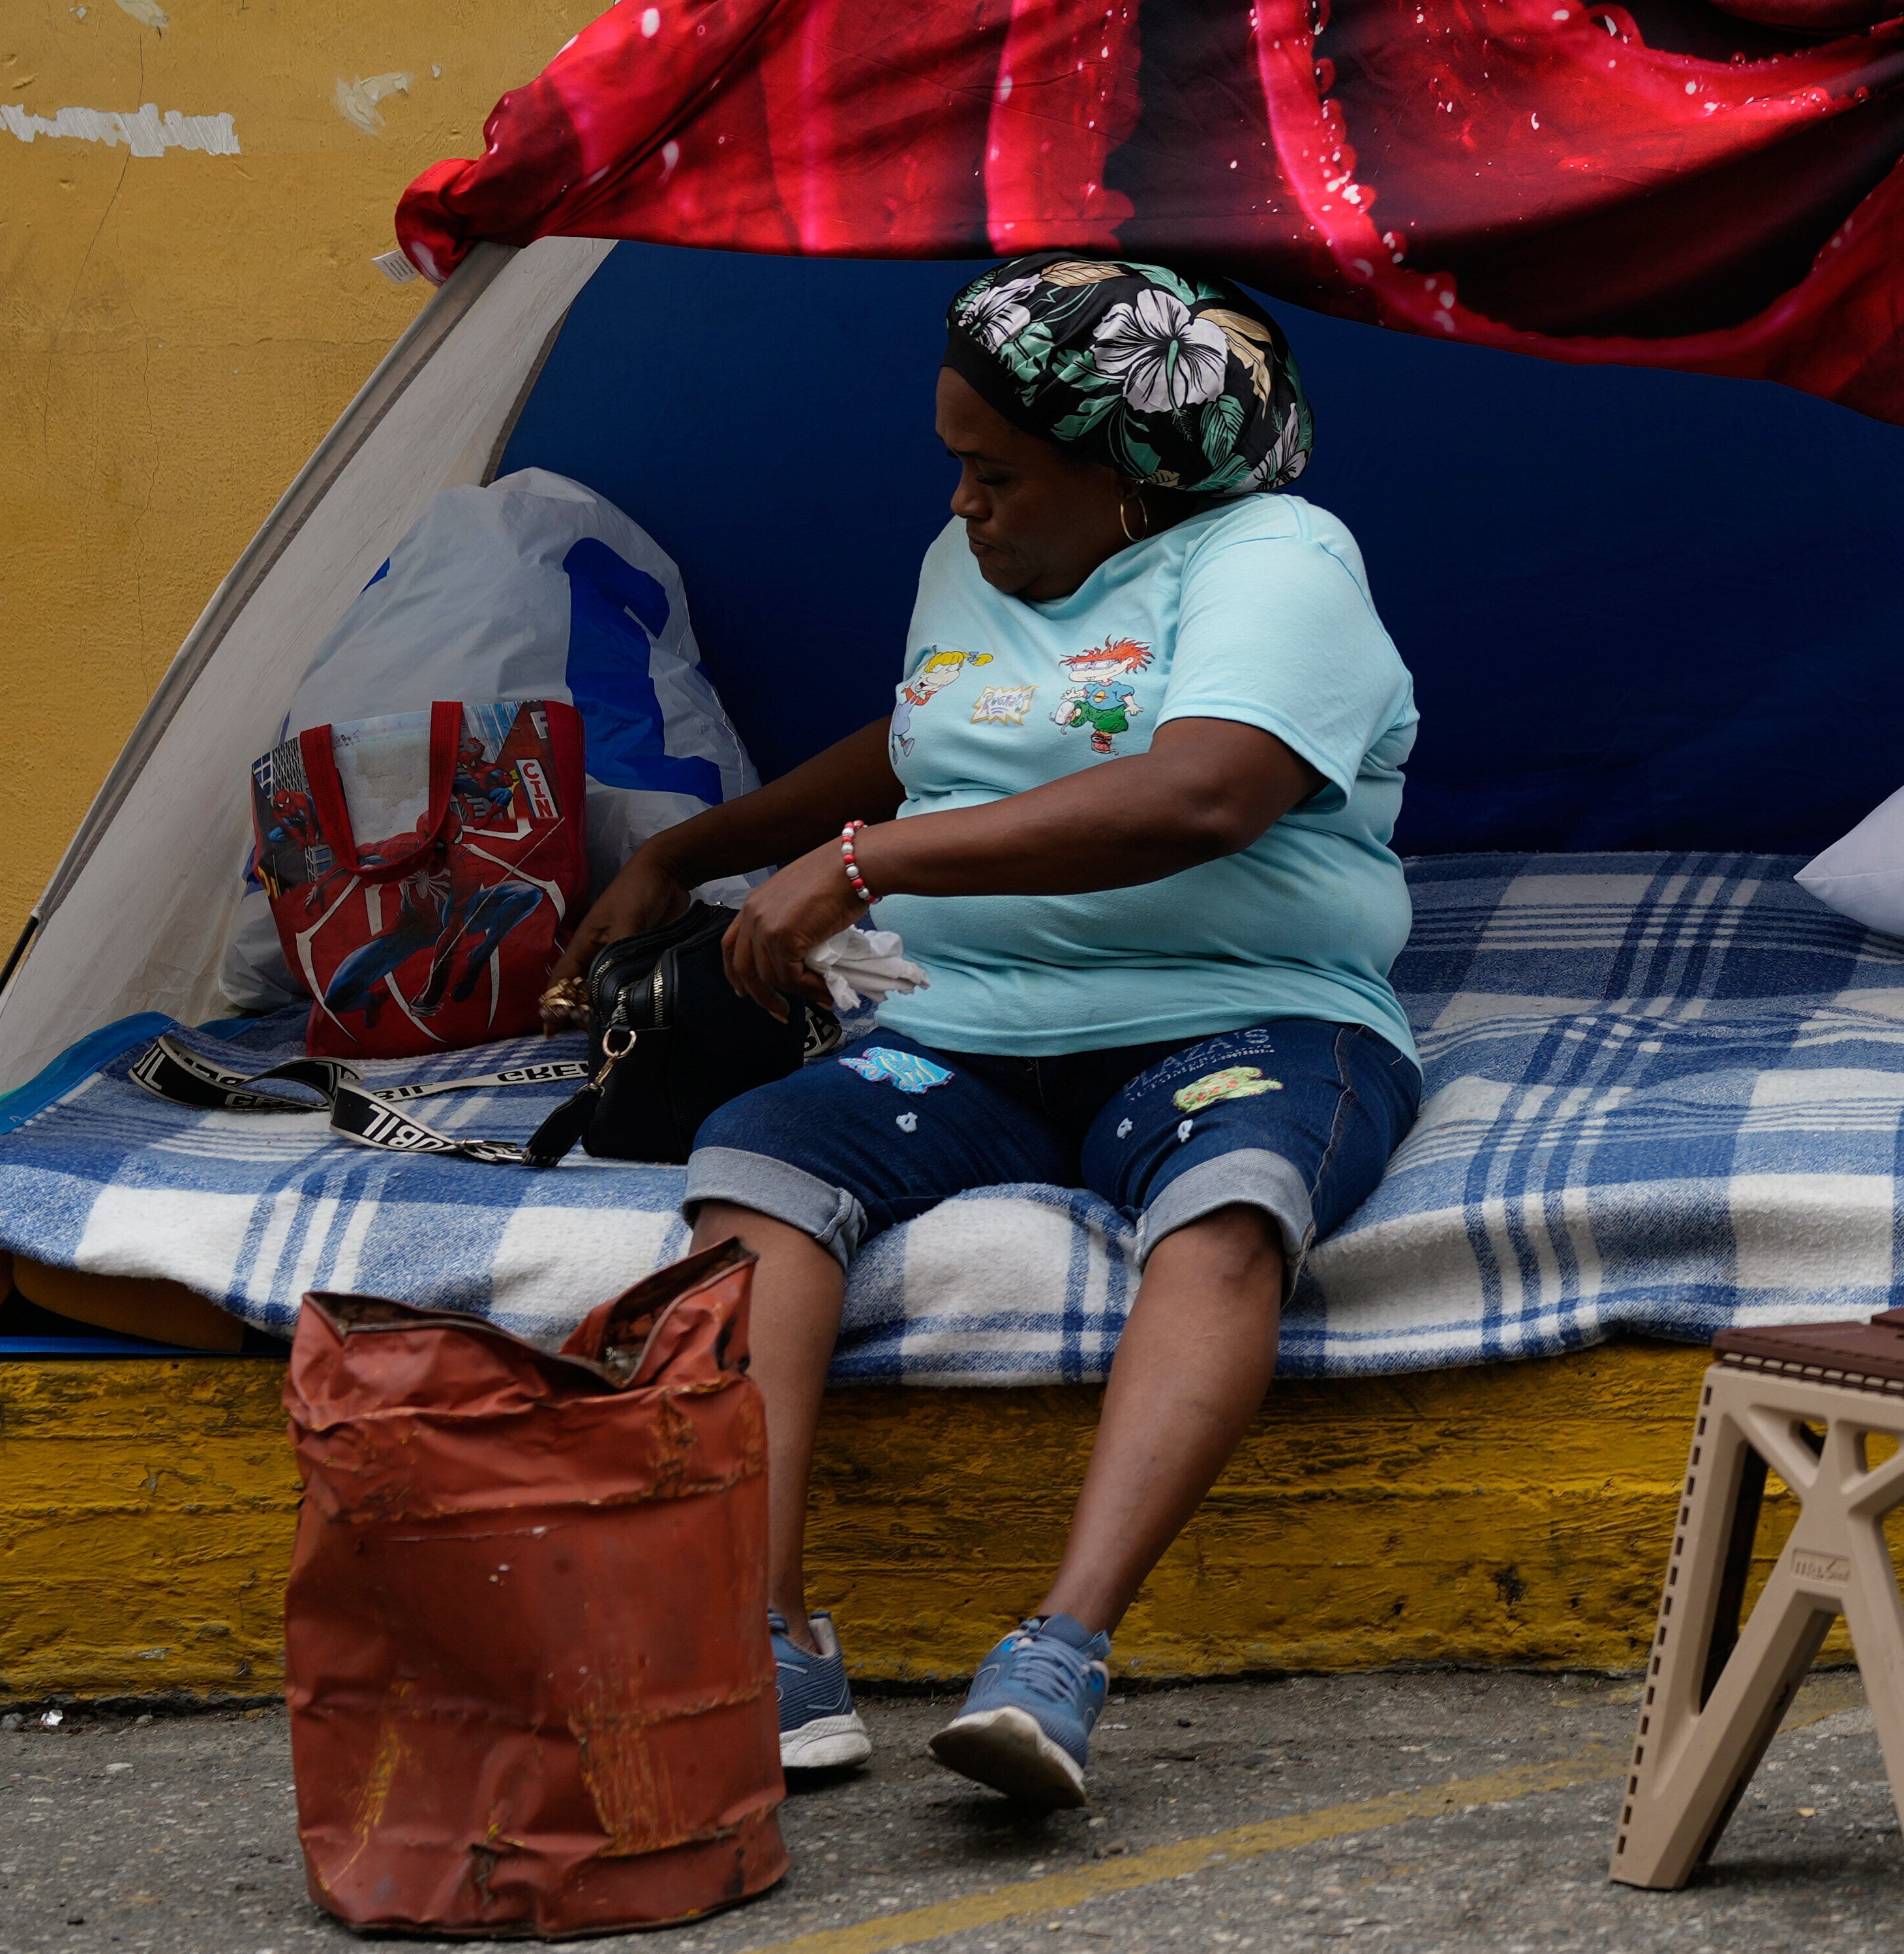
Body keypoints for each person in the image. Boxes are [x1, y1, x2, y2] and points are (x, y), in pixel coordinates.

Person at [547, 252, 1423, 1814]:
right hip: (963, 1028)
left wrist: (863, 866)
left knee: (1228, 1213)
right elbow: (928, 736)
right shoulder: (978, 557)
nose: (963, 502)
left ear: (1135, 473)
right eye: (957, 464)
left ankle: (1057, 1652)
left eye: (998, 471)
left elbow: (1207, 789)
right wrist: (693, 852)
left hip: (1237, 1011)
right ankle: (763, 1638)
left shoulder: (1279, 561)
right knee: (759, 1171)